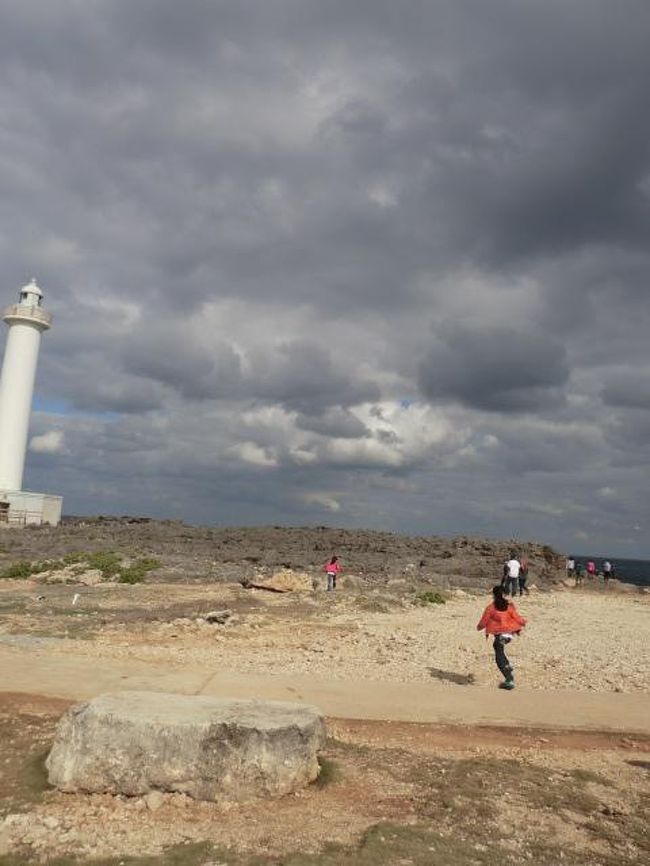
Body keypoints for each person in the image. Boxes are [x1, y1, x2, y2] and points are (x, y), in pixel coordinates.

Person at [477, 585, 527, 689]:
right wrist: (522, 624)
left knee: (498, 656)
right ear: (504, 594)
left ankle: (509, 678)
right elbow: (517, 618)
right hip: (509, 635)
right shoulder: (509, 606)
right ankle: (508, 669)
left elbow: (484, 621)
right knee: (498, 649)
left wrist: (479, 627)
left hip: (500, 634)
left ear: (494, 595)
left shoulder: (491, 608)